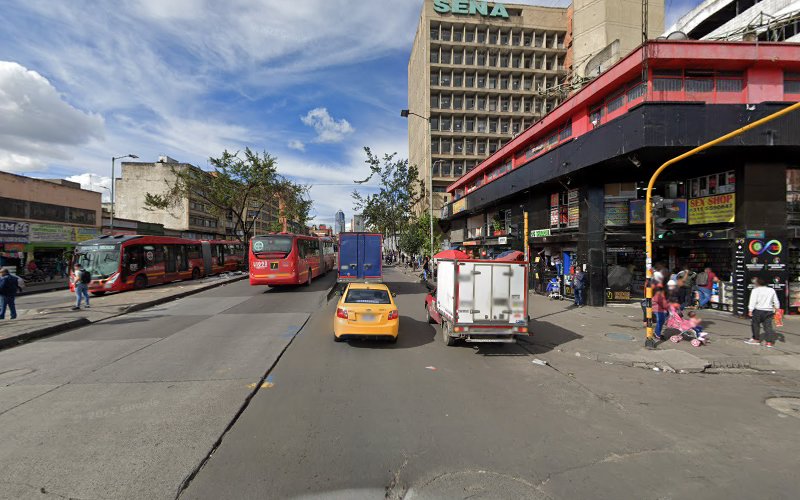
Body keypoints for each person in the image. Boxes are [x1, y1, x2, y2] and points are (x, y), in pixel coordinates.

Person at [746, 277, 780, 347]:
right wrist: (777, 309)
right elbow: (776, 301)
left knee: (755, 325)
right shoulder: (771, 290)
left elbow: (753, 301)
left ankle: (756, 339)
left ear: (757, 283)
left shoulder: (755, 290)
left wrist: (750, 310)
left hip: (758, 310)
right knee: (768, 327)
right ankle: (769, 342)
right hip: (769, 311)